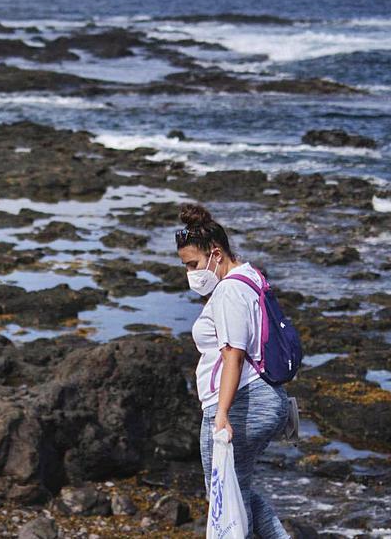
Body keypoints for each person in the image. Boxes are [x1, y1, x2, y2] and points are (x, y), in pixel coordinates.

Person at [176, 203, 291, 539]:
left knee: (225, 494)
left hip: (240, 402)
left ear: (216, 253)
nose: (191, 274)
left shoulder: (228, 290)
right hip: (264, 397)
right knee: (236, 488)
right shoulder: (253, 277)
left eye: (193, 264)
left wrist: (221, 414)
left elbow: (234, 355)